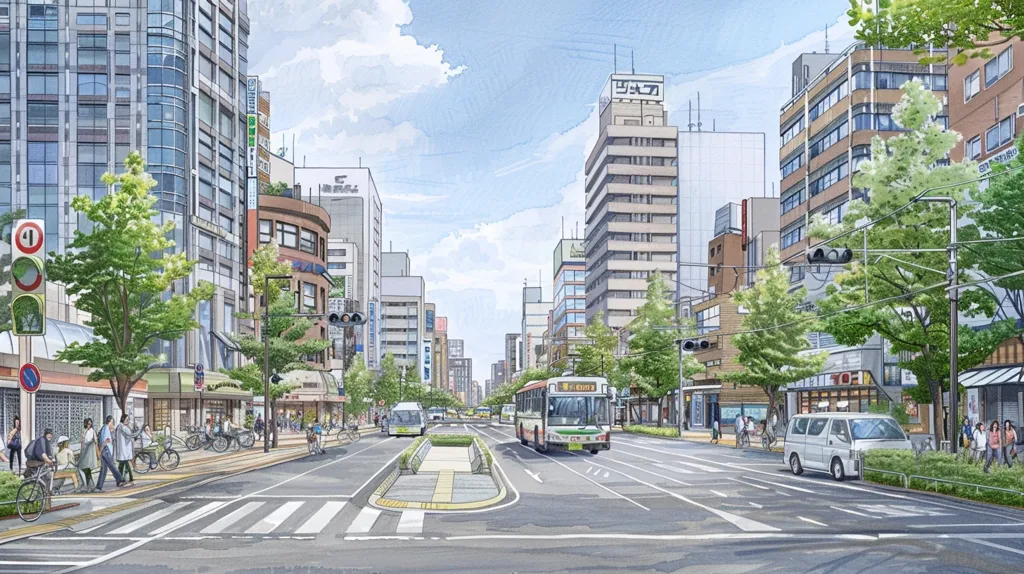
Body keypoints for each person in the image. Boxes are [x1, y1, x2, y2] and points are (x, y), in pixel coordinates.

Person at [96, 415, 125, 490]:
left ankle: (99, 486)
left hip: (104, 450)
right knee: (112, 465)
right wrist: (101, 451)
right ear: (109, 422)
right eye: (112, 422)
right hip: (106, 450)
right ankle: (120, 479)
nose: (113, 424)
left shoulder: (104, 428)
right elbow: (106, 441)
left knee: (104, 469)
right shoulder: (106, 428)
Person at [115, 414, 137, 483]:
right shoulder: (124, 428)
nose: (128, 421)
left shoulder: (119, 426)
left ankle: (127, 477)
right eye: (126, 420)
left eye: (128, 420)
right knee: (123, 464)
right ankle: (122, 478)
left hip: (122, 449)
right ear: (123, 419)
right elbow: (130, 436)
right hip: (124, 449)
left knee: (123, 464)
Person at [78, 418, 98, 491]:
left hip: (90, 451)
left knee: (87, 468)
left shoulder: (92, 431)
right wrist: (81, 451)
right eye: (88, 424)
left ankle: (90, 486)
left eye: (90, 424)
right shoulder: (84, 431)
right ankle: (90, 486)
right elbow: (82, 442)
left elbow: (96, 441)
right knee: (85, 468)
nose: (89, 425)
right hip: (85, 450)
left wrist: (97, 452)